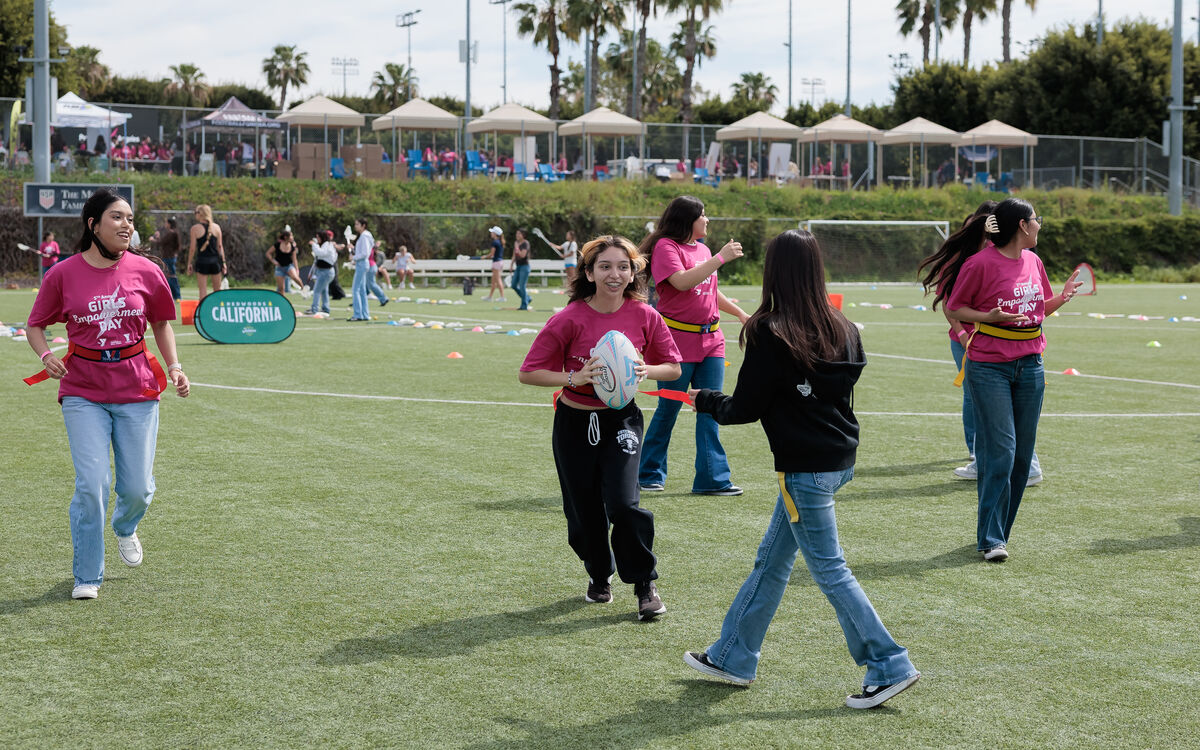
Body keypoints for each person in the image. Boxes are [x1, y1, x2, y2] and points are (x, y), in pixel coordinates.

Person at [682, 229, 921, 709]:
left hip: (806, 469)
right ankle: (731, 655)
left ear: (773, 271)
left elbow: (745, 408)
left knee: (830, 570)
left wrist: (706, 400)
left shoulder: (770, 330)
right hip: (837, 458)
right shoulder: (842, 324)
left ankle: (889, 663)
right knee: (772, 562)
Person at [23, 187, 190, 600]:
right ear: (93, 224)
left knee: (137, 489)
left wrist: (176, 368)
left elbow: (162, 324)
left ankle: (126, 526)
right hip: (82, 390)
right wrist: (46, 355)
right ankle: (87, 575)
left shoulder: (147, 271)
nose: (126, 225)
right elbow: (35, 325)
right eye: (117, 217)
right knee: (92, 482)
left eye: (130, 218)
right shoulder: (62, 274)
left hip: (137, 387)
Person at [518, 235, 682, 620]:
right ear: (589, 273)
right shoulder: (568, 318)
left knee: (625, 505)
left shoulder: (645, 315)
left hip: (622, 421)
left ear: (633, 272)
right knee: (584, 513)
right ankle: (598, 574)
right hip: (574, 422)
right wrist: (573, 378)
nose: (615, 274)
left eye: (623, 266)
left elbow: (672, 368)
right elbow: (529, 373)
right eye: (605, 266)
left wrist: (646, 370)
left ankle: (644, 584)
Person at [944, 198, 1082, 562]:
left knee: (1022, 457)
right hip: (989, 367)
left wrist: (1062, 299)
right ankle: (991, 539)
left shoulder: (1035, 262)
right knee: (1001, 452)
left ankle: (999, 533)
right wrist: (987, 317)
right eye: (1037, 219)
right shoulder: (979, 263)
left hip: (1031, 365)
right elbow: (955, 308)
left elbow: (1037, 311)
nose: (1040, 225)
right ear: (1022, 225)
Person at [920, 202, 1043, 486]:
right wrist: (964, 335)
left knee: (992, 410)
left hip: (999, 350)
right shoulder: (974, 260)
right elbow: (952, 305)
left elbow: (1034, 304)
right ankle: (986, 462)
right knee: (984, 406)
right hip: (974, 342)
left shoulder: (1022, 258)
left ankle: (1008, 464)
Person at [638, 195, 749, 496]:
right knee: (670, 406)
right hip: (675, 341)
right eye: (703, 215)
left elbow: (708, 288)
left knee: (711, 407)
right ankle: (647, 473)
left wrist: (739, 313)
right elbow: (682, 282)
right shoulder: (666, 247)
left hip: (712, 340)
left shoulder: (703, 249)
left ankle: (712, 480)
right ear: (688, 220)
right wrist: (720, 258)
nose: (708, 220)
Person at [187, 204, 226, 300]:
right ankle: (218, 311)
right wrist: (224, 262)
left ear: (200, 214)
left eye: (196, 212)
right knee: (217, 290)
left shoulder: (195, 228)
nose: (195, 214)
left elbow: (192, 248)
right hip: (215, 261)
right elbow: (220, 247)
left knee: (202, 290)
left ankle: (202, 313)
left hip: (202, 261)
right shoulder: (216, 228)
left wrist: (189, 263)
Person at [348, 217, 384, 321]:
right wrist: (353, 249)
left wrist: (353, 257)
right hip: (363, 263)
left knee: (355, 290)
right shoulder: (365, 236)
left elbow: (365, 253)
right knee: (362, 290)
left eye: (357, 224)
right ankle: (364, 314)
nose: (355, 226)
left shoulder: (364, 236)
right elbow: (363, 250)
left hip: (362, 264)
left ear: (363, 225)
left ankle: (358, 314)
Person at [307, 230, 340, 316]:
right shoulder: (324, 245)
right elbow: (317, 260)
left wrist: (314, 245)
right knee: (324, 291)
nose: (317, 239)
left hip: (326, 272)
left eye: (318, 237)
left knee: (316, 290)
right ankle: (325, 309)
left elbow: (321, 253)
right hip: (323, 271)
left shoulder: (327, 245)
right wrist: (311, 272)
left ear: (322, 237)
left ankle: (314, 309)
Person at [150, 217, 182, 301]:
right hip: (170, 257)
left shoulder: (171, 233)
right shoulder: (174, 233)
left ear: (169, 224)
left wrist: (154, 239)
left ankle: (177, 296)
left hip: (168, 257)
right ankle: (174, 296)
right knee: (169, 276)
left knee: (170, 276)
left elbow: (161, 242)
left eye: (166, 223)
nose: (165, 224)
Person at [267, 230, 307, 295]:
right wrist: (273, 261)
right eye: (291, 236)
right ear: (285, 237)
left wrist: (297, 269)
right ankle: (283, 302)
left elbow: (294, 259)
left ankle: (303, 289)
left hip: (289, 266)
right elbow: (268, 253)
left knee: (295, 277)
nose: (292, 237)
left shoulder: (292, 247)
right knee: (281, 288)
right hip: (279, 268)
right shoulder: (277, 245)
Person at [510, 228, 533, 310]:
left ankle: (524, 305)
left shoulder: (525, 243)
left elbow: (522, 255)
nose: (517, 235)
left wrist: (517, 248)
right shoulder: (516, 243)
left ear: (523, 235)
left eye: (519, 234)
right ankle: (527, 298)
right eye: (516, 233)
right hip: (518, 267)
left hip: (524, 266)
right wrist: (511, 265)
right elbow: (514, 255)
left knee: (522, 286)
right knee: (513, 285)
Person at [483, 226, 506, 303]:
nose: (491, 233)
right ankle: (490, 297)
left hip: (496, 263)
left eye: (492, 232)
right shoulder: (499, 242)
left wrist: (485, 257)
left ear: (495, 234)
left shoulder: (495, 242)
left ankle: (502, 297)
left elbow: (491, 254)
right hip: (499, 262)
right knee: (493, 281)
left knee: (498, 280)